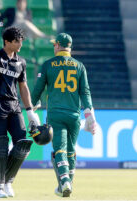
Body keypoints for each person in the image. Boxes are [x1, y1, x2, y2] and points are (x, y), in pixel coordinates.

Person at [31, 33, 96, 197]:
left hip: (56, 114)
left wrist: (31, 106)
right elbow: (85, 92)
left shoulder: (48, 65)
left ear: (59, 46)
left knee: (59, 149)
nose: (54, 47)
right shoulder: (80, 66)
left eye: (55, 45)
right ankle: (65, 186)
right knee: (71, 150)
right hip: (74, 115)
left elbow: (38, 90)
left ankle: (65, 181)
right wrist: (89, 115)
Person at [0, 19, 40, 198]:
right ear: (7, 41)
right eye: (17, 41)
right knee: (0, 145)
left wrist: (29, 111)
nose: (21, 44)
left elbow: (23, 87)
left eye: (21, 41)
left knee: (23, 144)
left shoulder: (21, 62)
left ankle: (6, 181)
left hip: (14, 106)